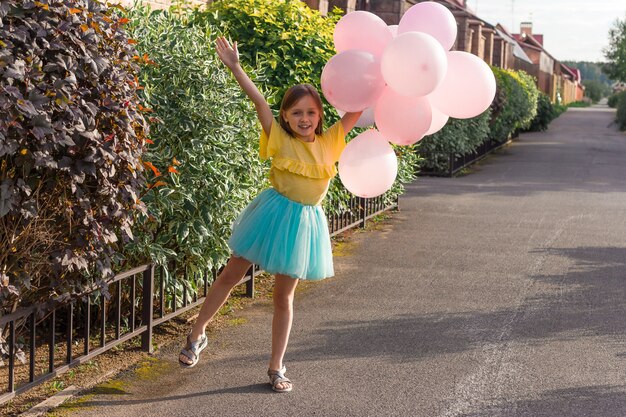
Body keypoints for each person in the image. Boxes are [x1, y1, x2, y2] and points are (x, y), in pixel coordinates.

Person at [178, 36, 362, 393]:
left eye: (310, 112)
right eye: (296, 113)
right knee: (231, 274)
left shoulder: (332, 140)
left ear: (320, 114)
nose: (304, 118)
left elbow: (359, 103)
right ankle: (197, 333)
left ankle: (276, 367)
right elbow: (258, 99)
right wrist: (235, 66)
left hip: (304, 225)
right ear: (285, 117)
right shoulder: (280, 138)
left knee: (284, 297)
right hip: (271, 215)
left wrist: (384, 74)